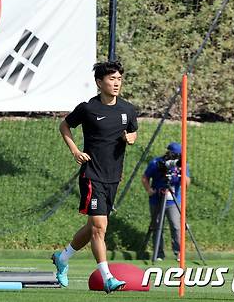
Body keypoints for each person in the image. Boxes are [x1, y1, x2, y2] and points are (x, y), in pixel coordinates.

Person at [52, 61, 138, 294]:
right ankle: (108, 277)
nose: (116, 83)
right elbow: (64, 126)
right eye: (112, 79)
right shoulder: (88, 109)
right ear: (99, 83)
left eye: (119, 79)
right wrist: (75, 151)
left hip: (113, 177)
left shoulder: (128, 109)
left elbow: (132, 131)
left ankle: (62, 257)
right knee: (100, 227)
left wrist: (131, 138)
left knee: (92, 227)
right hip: (92, 175)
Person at [142, 142, 191, 261]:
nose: (177, 157)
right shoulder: (156, 163)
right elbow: (145, 177)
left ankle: (179, 252)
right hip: (157, 199)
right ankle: (158, 253)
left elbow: (187, 183)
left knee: (176, 225)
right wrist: (149, 190)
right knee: (157, 225)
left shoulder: (182, 165)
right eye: (175, 155)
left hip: (173, 200)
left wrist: (181, 170)